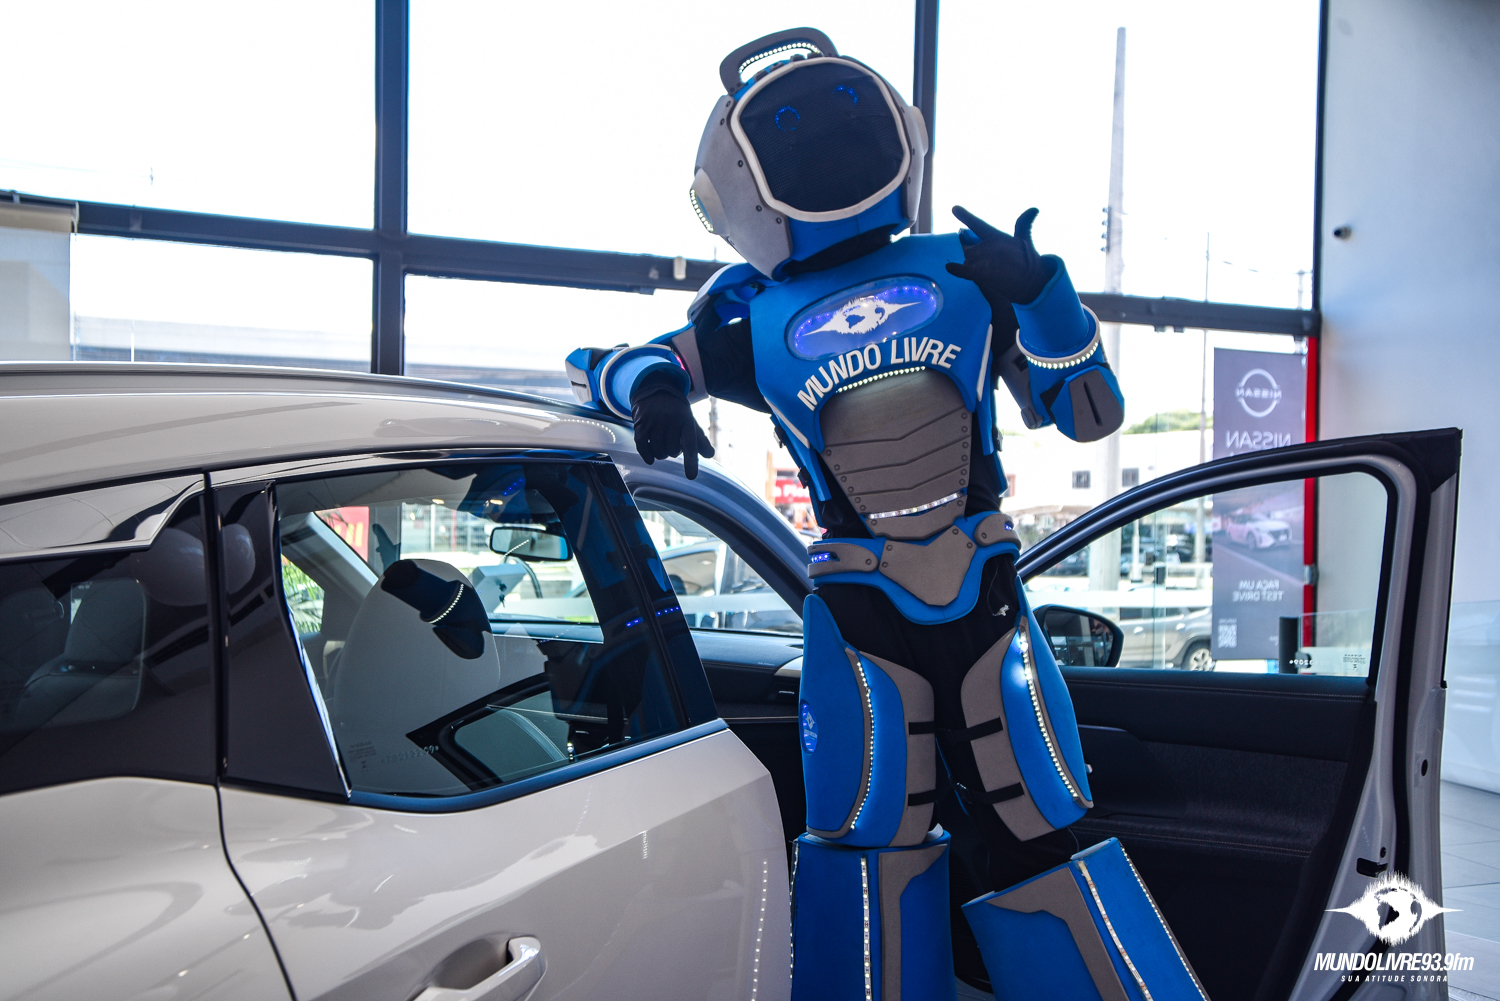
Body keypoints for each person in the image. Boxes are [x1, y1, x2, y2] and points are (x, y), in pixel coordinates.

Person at [565, 28, 1125, 990]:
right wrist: (654, 387)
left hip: (972, 592)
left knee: (1036, 827)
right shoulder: (754, 312)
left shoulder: (966, 272)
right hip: (872, 606)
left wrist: (1046, 299)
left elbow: (1089, 413)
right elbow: (601, 366)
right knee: (872, 841)